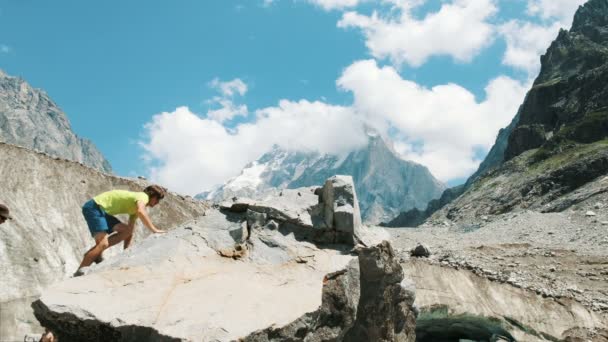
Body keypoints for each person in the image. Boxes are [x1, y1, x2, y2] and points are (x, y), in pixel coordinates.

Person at [74, 185, 167, 276]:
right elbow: (141, 211)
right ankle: (78, 273)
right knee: (103, 244)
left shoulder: (136, 207)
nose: (157, 202)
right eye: (157, 199)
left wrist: (126, 252)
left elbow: (130, 231)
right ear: (152, 195)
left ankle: (96, 254)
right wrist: (154, 229)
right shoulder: (143, 196)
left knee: (127, 231)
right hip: (94, 207)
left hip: (102, 211)